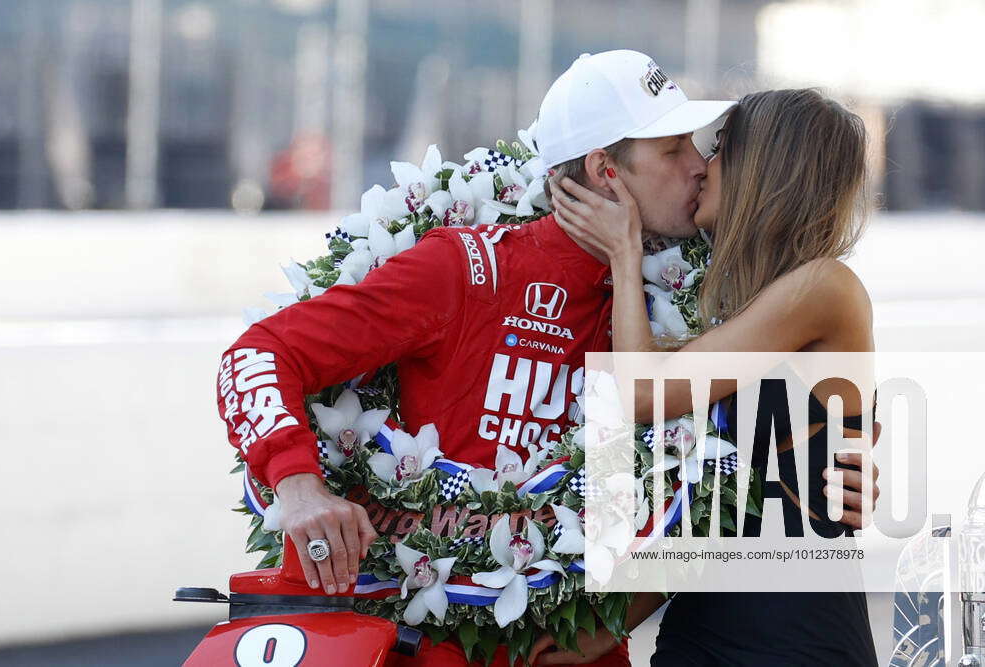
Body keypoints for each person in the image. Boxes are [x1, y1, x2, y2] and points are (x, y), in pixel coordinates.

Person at [216, 52, 875, 665]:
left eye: (703, 149)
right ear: (605, 172)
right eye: (674, 150)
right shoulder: (465, 268)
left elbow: (684, 507)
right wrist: (298, 484)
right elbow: (258, 352)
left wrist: (850, 450)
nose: (699, 165)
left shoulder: (695, 303)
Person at [544, 88, 879, 665]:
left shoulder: (824, 288)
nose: (701, 165)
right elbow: (702, 511)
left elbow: (643, 394)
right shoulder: (719, 305)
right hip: (698, 636)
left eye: (721, 148)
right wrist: (608, 629)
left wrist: (624, 255)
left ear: (765, 169)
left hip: (799, 642)